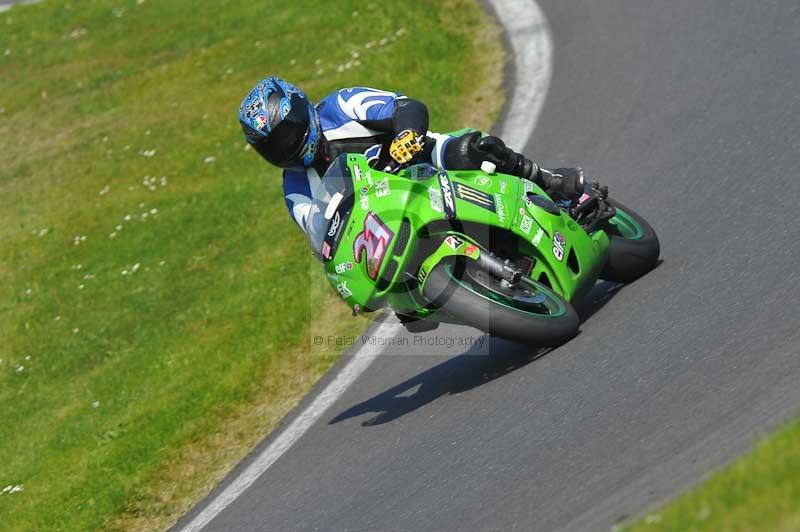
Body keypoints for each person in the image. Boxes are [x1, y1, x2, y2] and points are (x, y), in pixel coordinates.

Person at [237, 76, 584, 233]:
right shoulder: (294, 187)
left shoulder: (341, 105)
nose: (284, 147)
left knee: (473, 149)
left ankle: (550, 181)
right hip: (389, 224)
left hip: (424, 164)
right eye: (272, 146)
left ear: (301, 110)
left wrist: (406, 135)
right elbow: (319, 236)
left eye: (285, 134)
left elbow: (406, 106)